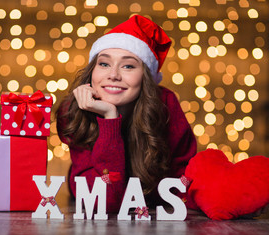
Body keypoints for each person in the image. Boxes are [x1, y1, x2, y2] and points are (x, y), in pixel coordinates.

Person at [56, 15, 197, 213]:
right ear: (92, 72)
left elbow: (184, 181)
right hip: (92, 191)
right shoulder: (73, 109)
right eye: (104, 64)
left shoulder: (165, 106)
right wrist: (110, 118)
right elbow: (104, 201)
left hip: (150, 205)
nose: (113, 75)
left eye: (128, 66)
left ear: (146, 77)